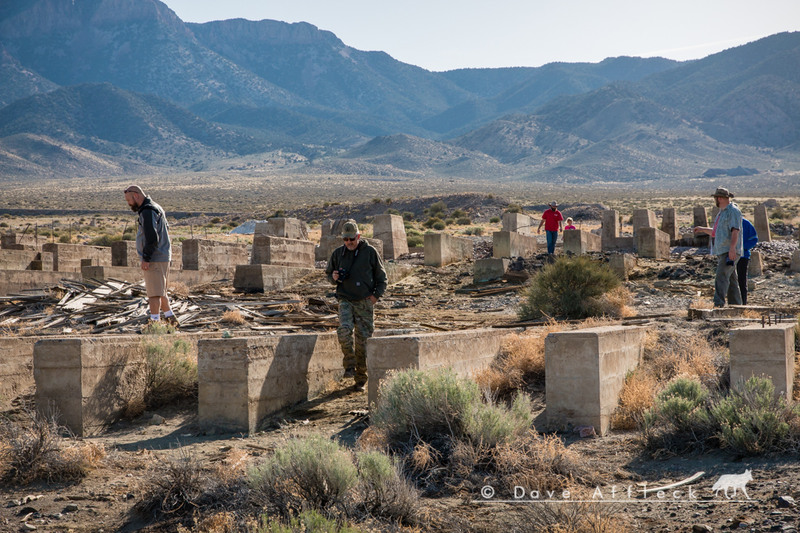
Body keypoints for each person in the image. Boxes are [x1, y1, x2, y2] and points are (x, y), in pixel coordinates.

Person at [326, 220, 387, 391]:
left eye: (351, 239)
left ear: (358, 236)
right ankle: (350, 366)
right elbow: (328, 275)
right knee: (344, 331)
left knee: (363, 342)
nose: (348, 242)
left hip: (365, 303)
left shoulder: (370, 252)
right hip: (345, 299)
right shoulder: (338, 254)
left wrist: (374, 298)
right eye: (345, 239)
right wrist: (334, 278)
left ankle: (360, 379)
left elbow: (382, 279)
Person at [124, 185, 178, 327]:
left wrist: (146, 258)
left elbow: (152, 237)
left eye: (129, 200)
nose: (128, 203)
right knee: (161, 291)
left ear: (136, 196)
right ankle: (172, 320)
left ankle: (154, 324)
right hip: (163, 256)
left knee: (153, 294)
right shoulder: (156, 208)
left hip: (155, 258)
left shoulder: (147, 211)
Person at [693, 187, 743, 307]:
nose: (715, 200)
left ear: (720, 198)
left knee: (721, 277)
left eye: (716, 198)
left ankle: (718, 305)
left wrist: (732, 249)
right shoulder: (722, 212)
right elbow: (716, 232)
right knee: (731, 280)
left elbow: (735, 231)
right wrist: (702, 229)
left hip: (729, 251)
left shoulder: (733, 211)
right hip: (723, 251)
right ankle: (736, 305)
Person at [737, 218, 758, 305]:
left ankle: (742, 303)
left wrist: (742, 248)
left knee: (741, 280)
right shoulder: (726, 221)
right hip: (727, 256)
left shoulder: (745, 223)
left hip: (742, 256)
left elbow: (754, 239)